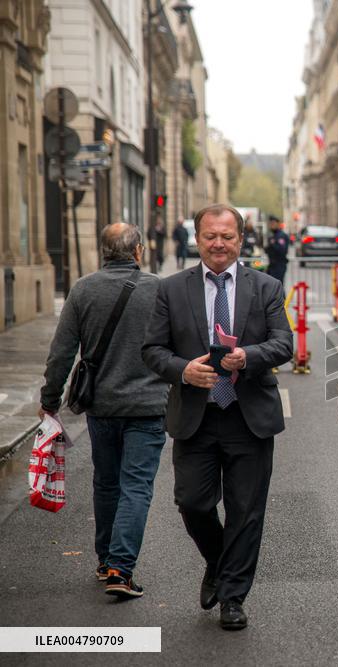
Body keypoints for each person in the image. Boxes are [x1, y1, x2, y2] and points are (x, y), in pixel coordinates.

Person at [142, 204, 293, 631]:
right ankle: (218, 560)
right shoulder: (172, 289)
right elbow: (152, 350)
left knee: (246, 511)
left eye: (227, 236)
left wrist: (250, 356)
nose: (219, 244)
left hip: (249, 416)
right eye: (211, 236)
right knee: (192, 502)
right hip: (197, 416)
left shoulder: (265, 286)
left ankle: (232, 597)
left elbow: (284, 343)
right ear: (198, 239)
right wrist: (183, 370)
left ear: (241, 240)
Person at [39, 223, 168, 599]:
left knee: (107, 482)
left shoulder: (83, 289)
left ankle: (105, 560)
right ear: (139, 251)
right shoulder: (159, 289)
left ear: (103, 252)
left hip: (102, 407)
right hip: (147, 407)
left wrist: (49, 400)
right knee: (136, 486)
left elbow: (61, 353)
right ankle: (120, 569)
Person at [265, 215, 289, 284]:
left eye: (273, 224)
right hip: (272, 265)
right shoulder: (272, 235)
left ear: (278, 224)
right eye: (270, 224)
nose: (271, 225)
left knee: (278, 285)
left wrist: (273, 244)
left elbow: (282, 250)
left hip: (279, 265)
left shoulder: (281, 236)